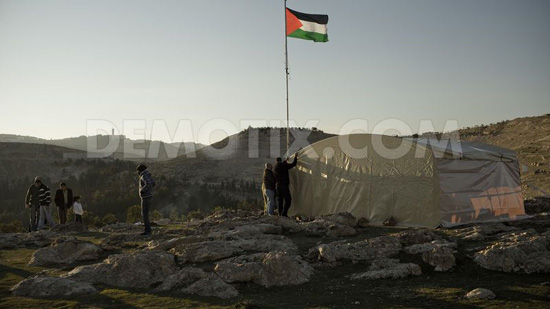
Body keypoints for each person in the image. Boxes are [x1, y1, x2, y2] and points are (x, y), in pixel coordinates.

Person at [274, 153, 298, 217]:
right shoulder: (284, 166)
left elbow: (283, 165)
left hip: (278, 186)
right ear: (281, 161)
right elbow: (293, 164)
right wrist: (295, 157)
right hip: (284, 186)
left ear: (276, 161)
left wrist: (285, 161)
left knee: (280, 201)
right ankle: (284, 213)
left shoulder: (275, 167)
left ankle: (280, 213)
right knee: (288, 200)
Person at [136, 164, 155, 235]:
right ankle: (148, 230)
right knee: (146, 214)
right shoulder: (148, 175)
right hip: (149, 196)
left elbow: (149, 184)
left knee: (144, 214)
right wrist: (150, 190)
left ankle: (148, 231)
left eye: (138, 171)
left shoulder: (143, 176)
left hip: (145, 197)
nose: (137, 172)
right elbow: (153, 183)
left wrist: (143, 191)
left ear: (140, 170)